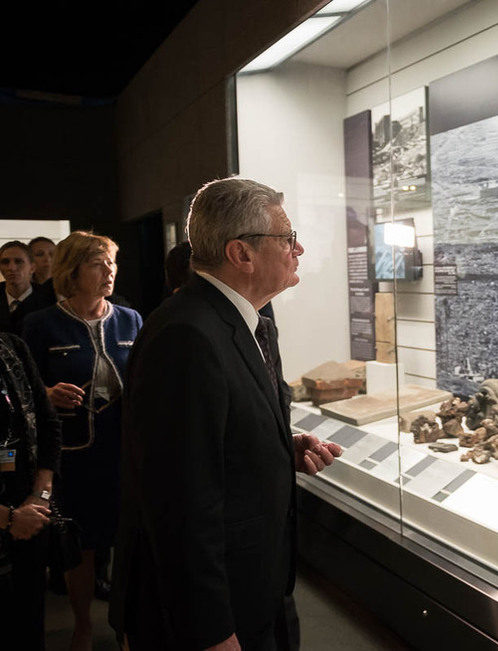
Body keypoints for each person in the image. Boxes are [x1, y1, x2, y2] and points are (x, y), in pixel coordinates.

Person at [110, 177, 341, 650]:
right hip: (210, 617)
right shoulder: (187, 338)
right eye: (287, 237)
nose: (299, 249)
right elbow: (178, 506)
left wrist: (279, 449)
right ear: (242, 254)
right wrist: (211, 634)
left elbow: (215, 442)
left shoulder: (250, 324)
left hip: (258, 589)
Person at [22, 231, 143, 651]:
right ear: (72, 272)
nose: (109, 271)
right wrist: (48, 394)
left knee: (130, 543)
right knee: (82, 547)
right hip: (74, 456)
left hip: (124, 453)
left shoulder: (131, 320)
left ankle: (129, 625)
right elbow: (24, 391)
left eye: (112, 262)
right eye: (98, 264)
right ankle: (82, 626)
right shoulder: (40, 325)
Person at [0, 332, 61, 650]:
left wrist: (41, 496)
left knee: (27, 628)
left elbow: (49, 425)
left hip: (29, 520)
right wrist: (8, 519)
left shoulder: (12, 348)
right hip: (11, 521)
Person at [0, 241, 56, 336]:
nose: (11, 268)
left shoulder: (49, 300)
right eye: (5, 262)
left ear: (32, 268)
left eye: (18, 262)